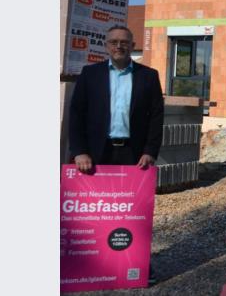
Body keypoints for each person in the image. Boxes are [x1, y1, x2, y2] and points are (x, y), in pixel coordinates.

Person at [69, 24, 164, 284]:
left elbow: (157, 117)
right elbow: (76, 114)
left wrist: (150, 150)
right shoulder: (90, 74)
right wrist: (79, 151)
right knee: (95, 211)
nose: (119, 46)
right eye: (114, 41)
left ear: (133, 45)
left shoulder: (148, 75)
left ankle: (139, 264)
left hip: (134, 155)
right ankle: (95, 264)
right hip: (97, 154)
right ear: (106, 45)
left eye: (124, 42)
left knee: (134, 212)